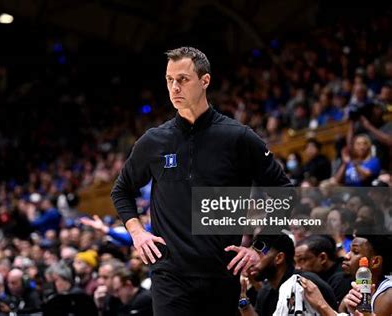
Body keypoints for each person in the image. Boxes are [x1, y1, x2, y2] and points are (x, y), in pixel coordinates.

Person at [111, 46, 292, 315]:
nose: (174, 87)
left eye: (182, 79)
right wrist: (137, 232)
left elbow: (284, 191)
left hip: (221, 273)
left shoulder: (238, 138)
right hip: (169, 274)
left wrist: (259, 246)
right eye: (169, 80)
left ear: (204, 81)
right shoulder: (153, 141)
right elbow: (122, 190)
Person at [238, 234, 337, 316]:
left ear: (279, 258)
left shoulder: (305, 284)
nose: (251, 260)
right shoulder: (265, 292)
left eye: (258, 254)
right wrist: (242, 299)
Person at [294, 235, 352, 305]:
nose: (297, 267)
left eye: (302, 260)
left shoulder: (341, 279)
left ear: (322, 258)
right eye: (295, 262)